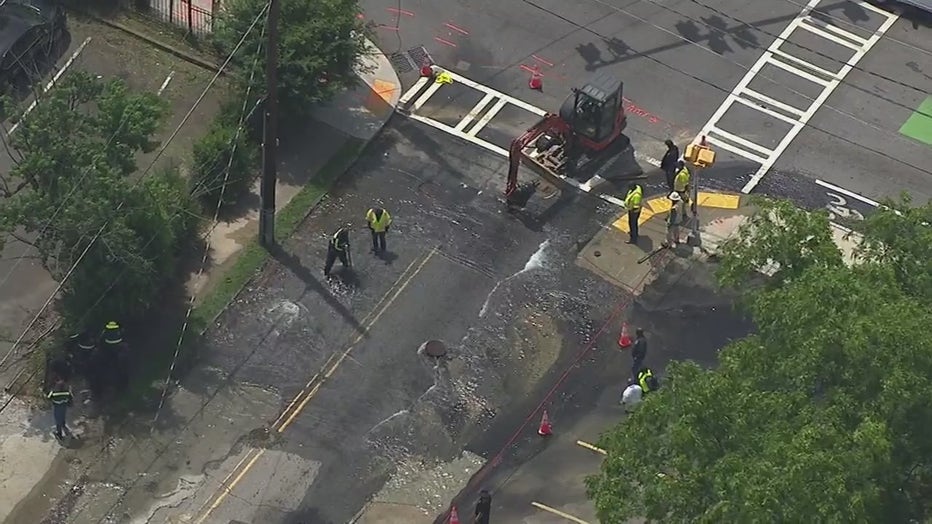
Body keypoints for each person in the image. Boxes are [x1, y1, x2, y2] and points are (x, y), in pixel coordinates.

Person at [101, 320, 127, 393]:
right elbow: (123, 335)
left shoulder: (106, 328)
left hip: (109, 347)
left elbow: (102, 338)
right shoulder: (119, 328)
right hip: (118, 346)